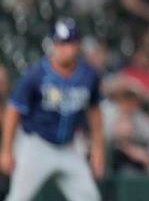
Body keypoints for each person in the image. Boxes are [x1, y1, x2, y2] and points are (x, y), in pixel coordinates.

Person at [0, 18, 103, 201]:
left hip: (69, 147)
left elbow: (95, 111)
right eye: (59, 43)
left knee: (91, 198)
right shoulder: (36, 74)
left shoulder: (88, 75)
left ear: (77, 45)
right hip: (37, 145)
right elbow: (13, 110)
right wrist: (7, 150)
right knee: (18, 198)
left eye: (68, 43)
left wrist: (98, 149)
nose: (62, 49)